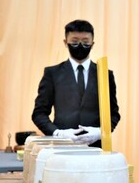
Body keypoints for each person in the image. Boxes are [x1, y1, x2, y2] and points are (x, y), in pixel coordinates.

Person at [32, 19, 121, 148]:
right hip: (62, 148)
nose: (80, 46)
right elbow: (39, 113)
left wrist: (100, 132)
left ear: (92, 43)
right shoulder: (53, 73)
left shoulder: (104, 74)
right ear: (65, 42)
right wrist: (58, 133)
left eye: (85, 42)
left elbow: (114, 113)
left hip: (95, 148)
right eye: (74, 42)